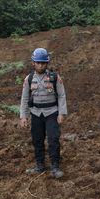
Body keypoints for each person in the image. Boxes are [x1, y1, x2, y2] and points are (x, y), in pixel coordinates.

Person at [19, 47, 67, 178]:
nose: (40, 65)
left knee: (53, 139)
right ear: (33, 63)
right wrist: (23, 116)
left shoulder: (54, 77)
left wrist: (61, 113)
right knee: (37, 140)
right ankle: (40, 165)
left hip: (52, 112)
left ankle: (55, 166)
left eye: (43, 63)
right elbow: (24, 98)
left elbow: (62, 95)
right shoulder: (28, 79)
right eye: (38, 62)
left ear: (47, 63)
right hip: (36, 113)